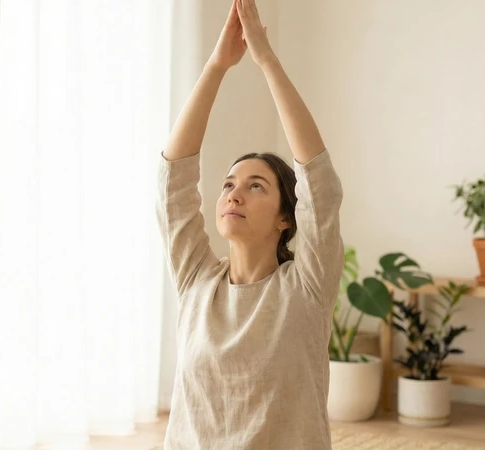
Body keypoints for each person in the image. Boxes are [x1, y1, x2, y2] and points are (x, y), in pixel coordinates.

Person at [155, 0, 344, 448]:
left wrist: (265, 59)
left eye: (256, 186)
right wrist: (217, 65)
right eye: (228, 185)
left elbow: (319, 183)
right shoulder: (196, 280)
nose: (233, 194)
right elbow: (173, 184)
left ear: (286, 217)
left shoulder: (307, 288)